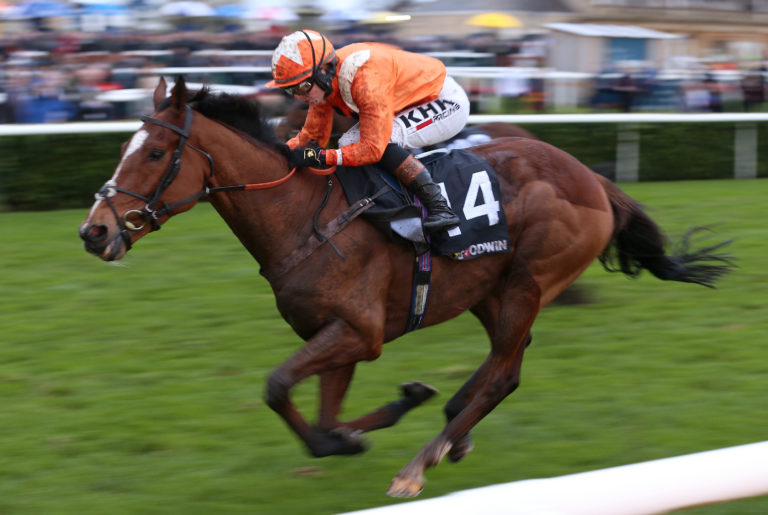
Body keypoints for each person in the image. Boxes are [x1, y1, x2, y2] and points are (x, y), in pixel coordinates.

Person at [266, 29, 470, 233]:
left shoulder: (365, 79)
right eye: (290, 90)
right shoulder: (324, 83)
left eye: (301, 87)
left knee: (374, 141)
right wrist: (278, 152)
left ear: (323, 72)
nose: (297, 97)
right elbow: (312, 137)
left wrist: (322, 157)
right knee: (347, 143)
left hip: (444, 101)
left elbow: (373, 149)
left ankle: (440, 207)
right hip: (411, 100)